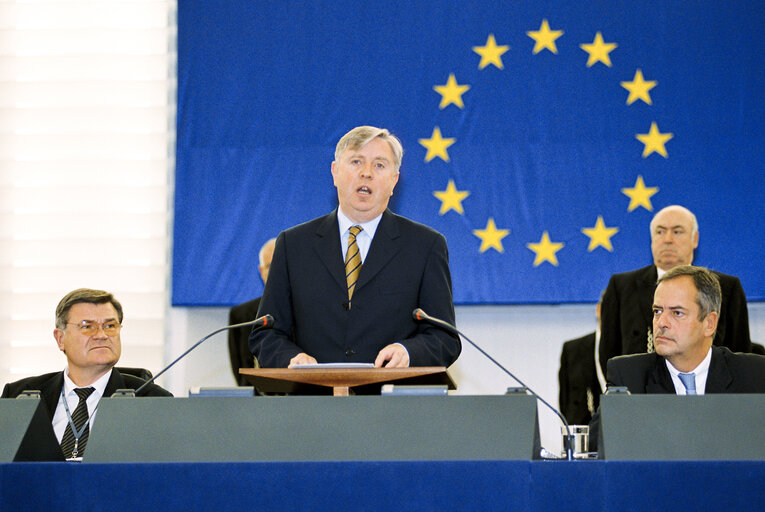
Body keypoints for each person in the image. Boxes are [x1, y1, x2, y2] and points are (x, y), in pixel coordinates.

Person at [250, 126, 461, 368]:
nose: (367, 173)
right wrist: (291, 358)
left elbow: (445, 338)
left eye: (379, 165)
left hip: (393, 401)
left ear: (394, 180)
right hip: (315, 399)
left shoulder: (425, 246)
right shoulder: (293, 245)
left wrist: (407, 351)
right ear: (335, 172)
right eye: (356, 162)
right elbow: (265, 334)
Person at [589, 266, 765, 447]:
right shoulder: (629, 377)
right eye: (657, 311)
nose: (662, 323)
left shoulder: (754, 375)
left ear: (709, 324)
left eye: (677, 313)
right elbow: (596, 450)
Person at [1, 288, 171, 460]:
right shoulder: (17, 396)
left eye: (110, 326)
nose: (101, 335)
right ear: (60, 339)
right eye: (87, 326)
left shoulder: (152, 401)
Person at [598, 205, 751, 373]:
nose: (668, 239)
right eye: (660, 232)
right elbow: (608, 353)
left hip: (709, 394)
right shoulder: (621, 286)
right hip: (639, 394)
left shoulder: (726, 287)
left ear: (695, 239)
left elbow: (739, 352)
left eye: (677, 232)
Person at [228, 237, 276, 385]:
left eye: (280, 264)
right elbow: (242, 375)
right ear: (261, 271)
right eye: (269, 265)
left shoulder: (310, 312)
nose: (275, 271)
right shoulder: (241, 316)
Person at [558, 294, 605, 425]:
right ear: (598, 309)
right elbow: (565, 399)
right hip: (583, 433)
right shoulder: (573, 350)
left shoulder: (633, 351)